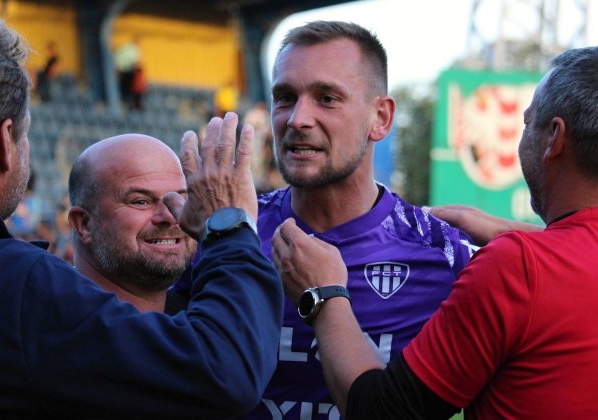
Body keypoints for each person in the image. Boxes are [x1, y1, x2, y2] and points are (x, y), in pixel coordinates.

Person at [0, 14, 283, 418]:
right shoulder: (13, 286)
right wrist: (230, 227)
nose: (167, 214)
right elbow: (221, 373)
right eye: (138, 200)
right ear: (4, 142)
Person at [272, 45, 598, 418]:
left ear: (554, 138)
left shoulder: (516, 268)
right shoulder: (532, 259)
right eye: (284, 98)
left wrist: (323, 295)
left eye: (526, 123)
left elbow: (384, 413)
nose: (299, 119)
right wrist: (522, 233)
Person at [172, 21, 476, 419]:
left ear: (380, 118)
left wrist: (521, 238)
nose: (297, 119)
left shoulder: (446, 256)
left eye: (327, 98)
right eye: (285, 97)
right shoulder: (223, 236)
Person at [68, 134, 196, 313]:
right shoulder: (48, 325)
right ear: (84, 224)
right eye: (141, 201)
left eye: (179, 199)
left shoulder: (207, 323)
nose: (170, 216)